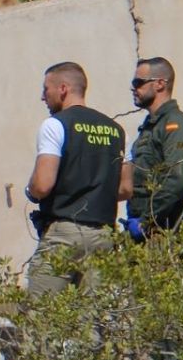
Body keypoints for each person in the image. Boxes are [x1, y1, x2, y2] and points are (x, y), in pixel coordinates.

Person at [23, 61, 125, 296]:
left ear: (63, 88)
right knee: (93, 325)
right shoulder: (116, 130)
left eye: (46, 89)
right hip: (103, 235)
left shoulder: (56, 125)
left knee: (43, 319)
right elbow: (125, 189)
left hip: (64, 233)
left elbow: (42, 185)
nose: (42, 97)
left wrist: (30, 190)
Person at [120, 56, 183, 239]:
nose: (133, 88)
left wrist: (147, 221)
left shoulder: (175, 124)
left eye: (138, 82)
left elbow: (177, 180)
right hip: (144, 231)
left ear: (160, 84)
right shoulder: (150, 127)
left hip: (163, 231)